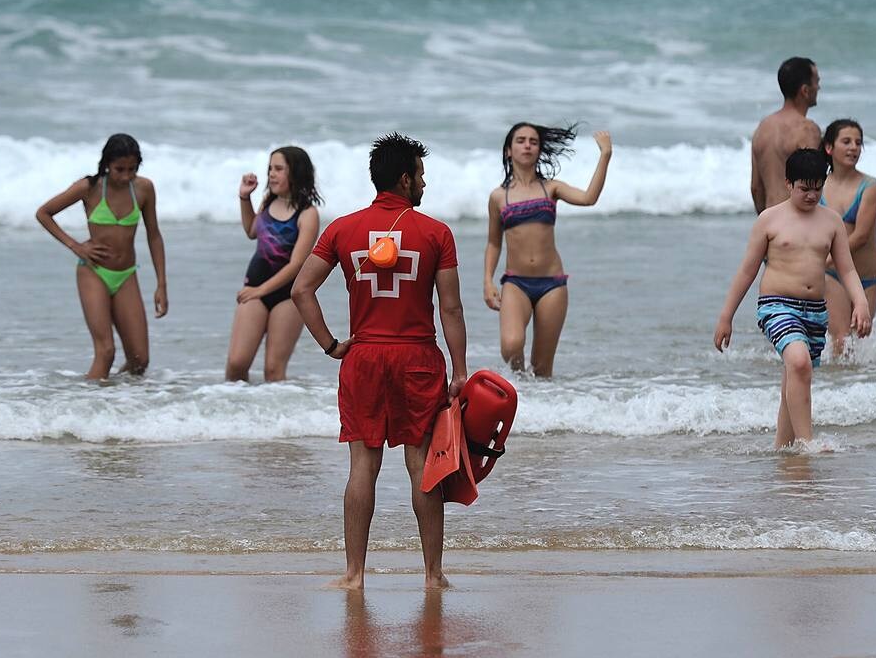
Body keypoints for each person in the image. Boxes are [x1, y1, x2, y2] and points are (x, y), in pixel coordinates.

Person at [291, 132, 468, 591]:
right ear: (406, 179)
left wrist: (332, 345)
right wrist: (461, 369)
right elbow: (450, 308)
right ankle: (432, 575)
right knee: (422, 466)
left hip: (364, 358)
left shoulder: (342, 229)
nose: (424, 184)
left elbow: (300, 290)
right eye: (422, 176)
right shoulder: (436, 233)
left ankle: (354, 574)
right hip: (418, 359)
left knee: (361, 467)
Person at [714, 148, 871, 448]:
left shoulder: (831, 222)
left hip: (815, 312)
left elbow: (847, 268)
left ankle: (782, 450)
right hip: (777, 306)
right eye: (803, 189)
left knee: (795, 376)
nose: (811, 196)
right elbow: (747, 271)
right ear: (788, 184)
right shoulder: (769, 220)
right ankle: (806, 444)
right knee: (799, 364)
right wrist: (726, 316)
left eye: (817, 188)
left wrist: (860, 302)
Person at [483, 123, 612, 377]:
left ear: (539, 149)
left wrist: (605, 155)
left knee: (542, 369)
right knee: (511, 346)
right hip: (516, 283)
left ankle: (542, 412)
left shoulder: (551, 188)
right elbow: (494, 242)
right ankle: (521, 388)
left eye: (533, 141)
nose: (527, 145)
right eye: (520, 140)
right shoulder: (499, 196)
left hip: (552, 285)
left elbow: (589, 198)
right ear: (509, 150)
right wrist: (488, 281)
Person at [36, 133, 167, 379]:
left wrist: (161, 284)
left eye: (132, 169)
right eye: (119, 169)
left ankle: (118, 405)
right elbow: (44, 213)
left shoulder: (144, 188)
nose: (126, 175)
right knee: (106, 352)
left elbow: (154, 236)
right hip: (93, 272)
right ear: (107, 163)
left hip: (126, 275)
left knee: (140, 361)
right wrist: (76, 246)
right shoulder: (90, 187)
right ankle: (86, 410)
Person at [225, 146, 322, 382]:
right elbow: (251, 231)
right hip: (255, 289)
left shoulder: (307, 214)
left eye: (279, 169)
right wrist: (245, 197)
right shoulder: (268, 202)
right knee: (236, 364)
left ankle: (273, 419)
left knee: (273, 370)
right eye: (270, 168)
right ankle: (232, 415)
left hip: (288, 296)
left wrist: (260, 290)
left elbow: (297, 264)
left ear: (296, 173)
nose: (271, 174)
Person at [819, 119, 876, 357]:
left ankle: (857, 389)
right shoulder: (819, 186)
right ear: (829, 148)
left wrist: (822, 261)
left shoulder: (870, 186)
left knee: (857, 343)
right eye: (846, 141)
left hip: (866, 276)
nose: (854, 147)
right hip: (833, 274)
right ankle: (835, 391)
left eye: (858, 143)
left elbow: (862, 236)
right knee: (841, 340)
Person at [750, 57, 823, 213]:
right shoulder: (807, 129)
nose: (819, 87)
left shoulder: (763, 127)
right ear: (805, 90)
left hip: (770, 219)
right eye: (817, 82)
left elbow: (756, 188)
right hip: (797, 221)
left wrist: (766, 221)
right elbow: (812, 183)